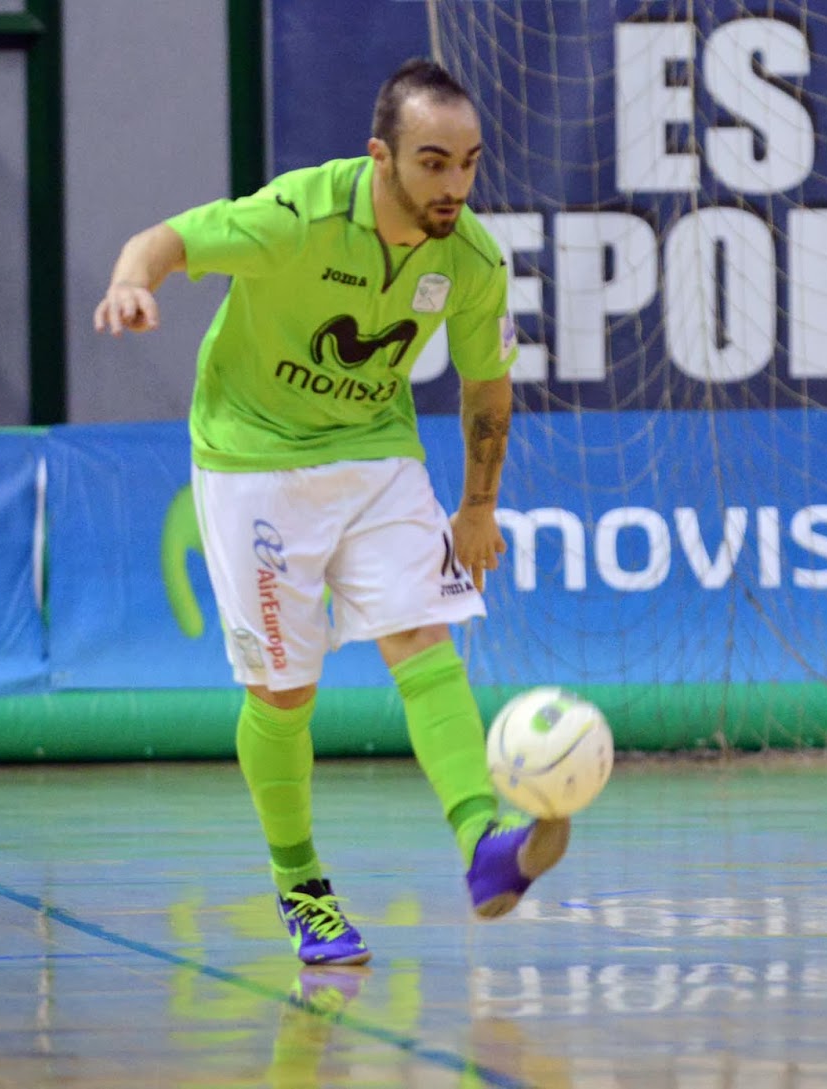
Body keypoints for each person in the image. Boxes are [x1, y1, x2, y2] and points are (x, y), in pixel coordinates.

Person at [93, 57, 567, 966]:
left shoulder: (469, 258)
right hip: (254, 456)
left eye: (470, 163)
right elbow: (167, 239)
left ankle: (484, 843)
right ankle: (301, 883)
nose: (455, 185)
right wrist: (130, 281)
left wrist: (478, 506)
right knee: (284, 692)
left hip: (375, 449)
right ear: (380, 157)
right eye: (434, 162)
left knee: (422, 635)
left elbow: (487, 385)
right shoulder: (297, 217)